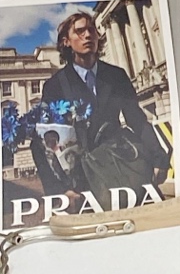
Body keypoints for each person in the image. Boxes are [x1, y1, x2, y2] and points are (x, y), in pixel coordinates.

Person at [44, 10, 170, 193]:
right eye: (80, 31)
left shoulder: (116, 75)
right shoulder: (55, 85)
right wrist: (60, 190)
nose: (88, 35)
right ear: (66, 41)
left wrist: (159, 159)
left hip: (122, 162)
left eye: (91, 30)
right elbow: (46, 141)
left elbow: (137, 120)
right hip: (82, 178)